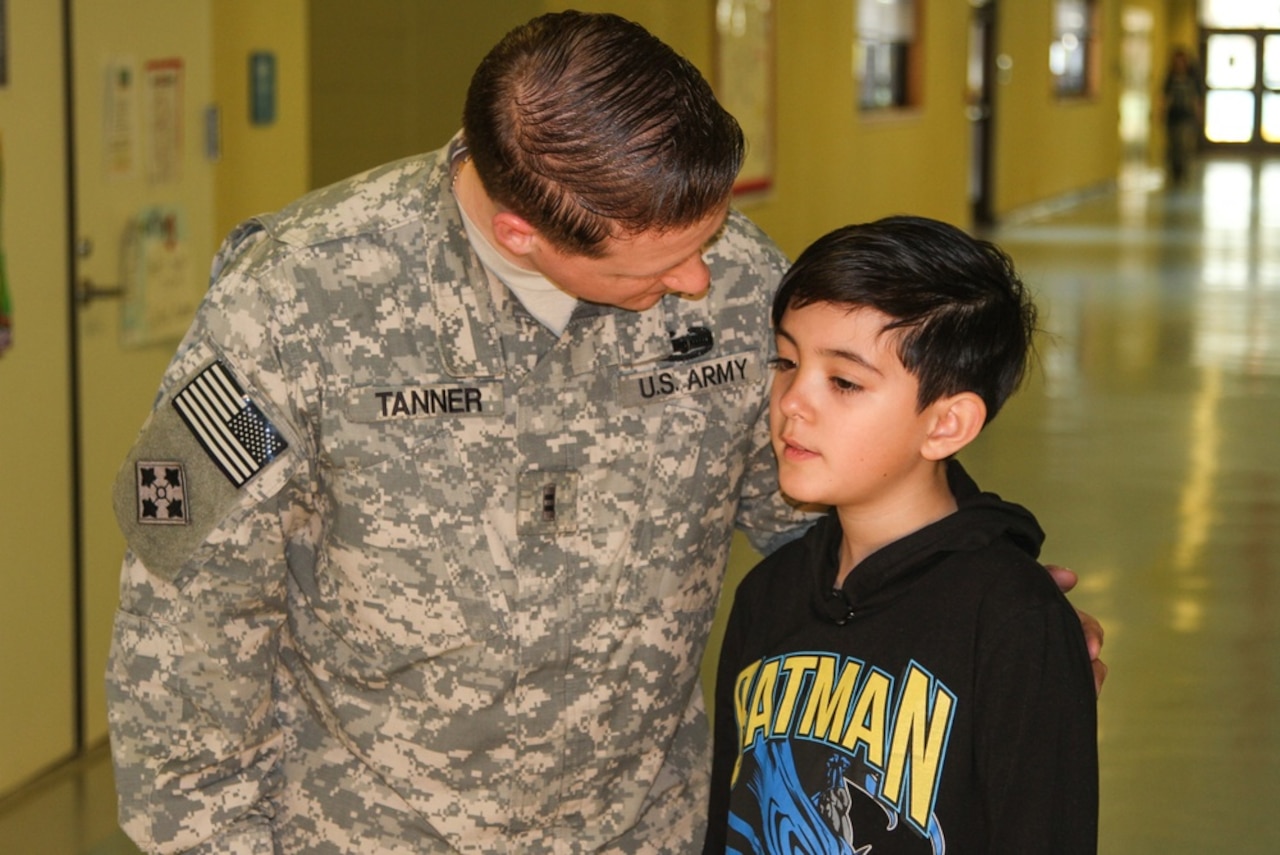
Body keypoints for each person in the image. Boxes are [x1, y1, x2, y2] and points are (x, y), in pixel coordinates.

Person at [106, 12, 1103, 854]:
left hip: (646, 826)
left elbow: (820, 506)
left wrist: (986, 615)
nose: (697, 285)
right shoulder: (292, 300)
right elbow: (184, 609)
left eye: (706, 241)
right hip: (365, 829)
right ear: (520, 236)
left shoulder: (742, 280)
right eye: (653, 270)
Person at [704, 216, 1098, 853]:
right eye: (785, 361)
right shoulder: (767, 595)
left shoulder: (1010, 619)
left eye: (844, 381)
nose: (790, 402)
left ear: (946, 425)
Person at [1162, 46, 1204, 186]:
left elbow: (1196, 99)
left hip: (1187, 117)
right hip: (1173, 116)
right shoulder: (1170, 77)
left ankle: (1184, 170)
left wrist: (1199, 115)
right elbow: (1164, 97)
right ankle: (1175, 172)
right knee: (1174, 145)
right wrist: (1161, 112)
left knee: (1184, 144)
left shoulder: (1192, 78)